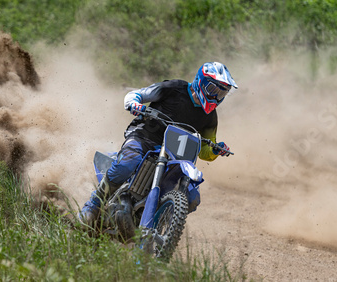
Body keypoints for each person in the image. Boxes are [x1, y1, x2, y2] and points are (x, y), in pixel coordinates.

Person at [78, 62, 238, 226]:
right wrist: (134, 103)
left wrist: (215, 150)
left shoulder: (210, 116)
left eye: (222, 93)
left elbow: (204, 150)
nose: (216, 97)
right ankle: (92, 206)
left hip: (174, 154)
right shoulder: (174, 88)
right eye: (213, 90)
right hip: (145, 137)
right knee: (128, 163)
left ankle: (158, 227)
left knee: (191, 197)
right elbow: (138, 94)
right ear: (201, 82)